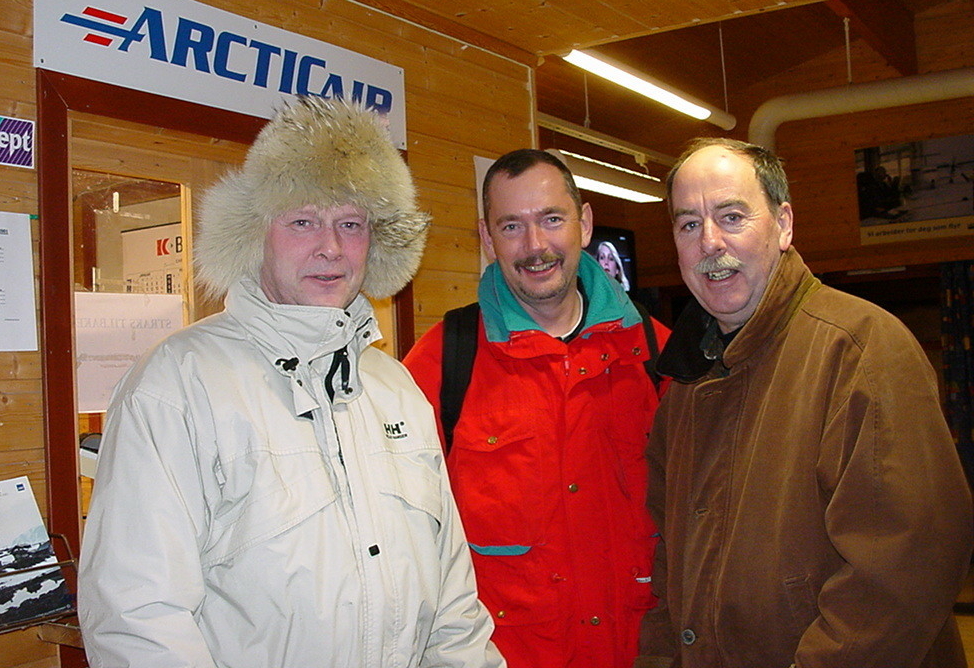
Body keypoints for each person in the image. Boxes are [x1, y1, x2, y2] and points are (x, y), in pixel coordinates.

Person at [78, 97, 506, 668]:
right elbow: (138, 616)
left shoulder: (395, 387)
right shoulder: (178, 384)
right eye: (303, 220)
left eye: (350, 224)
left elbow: (452, 600)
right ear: (255, 233)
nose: (330, 247)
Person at [637, 137, 973, 668]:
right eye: (688, 224)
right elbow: (668, 567)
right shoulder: (683, 386)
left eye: (731, 216)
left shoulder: (861, 348)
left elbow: (904, 571)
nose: (710, 242)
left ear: (784, 224)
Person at [404, 148, 670, 668]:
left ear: (584, 223)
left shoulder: (655, 353)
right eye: (511, 226)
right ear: (486, 238)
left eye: (552, 219)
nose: (535, 246)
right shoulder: (441, 363)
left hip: (642, 652)